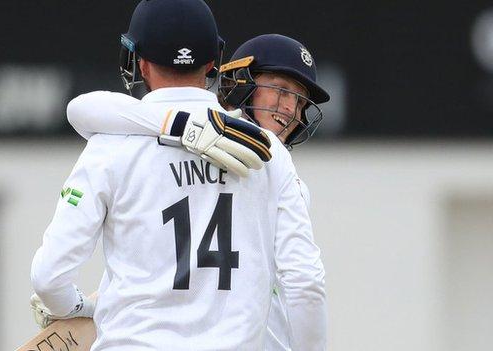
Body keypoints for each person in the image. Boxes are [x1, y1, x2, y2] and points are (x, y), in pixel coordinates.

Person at [30, 0, 321, 349]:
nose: (289, 109)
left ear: (140, 62)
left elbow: (48, 277)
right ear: (214, 62)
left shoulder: (109, 147)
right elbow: (305, 284)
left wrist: (81, 307)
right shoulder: (269, 154)